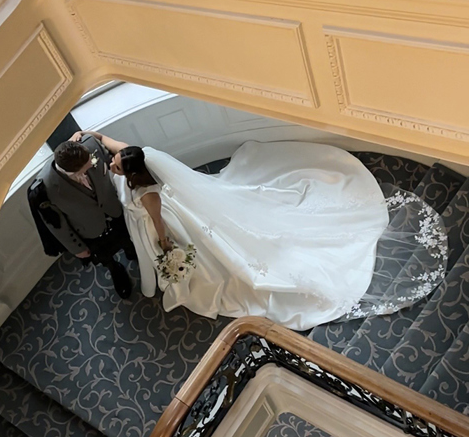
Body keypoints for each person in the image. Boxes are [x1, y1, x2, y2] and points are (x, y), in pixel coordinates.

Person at [75, 132, 448, 331]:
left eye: (117, 165)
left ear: (133, 171)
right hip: (183, 208)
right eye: (115, 160)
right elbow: (109, 141)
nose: (113, 164)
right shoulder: (143, 155)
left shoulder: (149, 195)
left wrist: (168, 249)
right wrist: (86, 135)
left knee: (229, 263)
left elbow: (160, 228)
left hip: (171, 217)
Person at [29, 132, 136, 298]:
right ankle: (116, 270)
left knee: (128, 238)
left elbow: (109, 161)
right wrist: (77, 249)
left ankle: (132, 251)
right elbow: (56, 223)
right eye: (87, 166)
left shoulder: (89, 145)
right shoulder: (45, 188)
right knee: (105, 257)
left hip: (115, 211)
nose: (91, 164)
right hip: (90, 231)